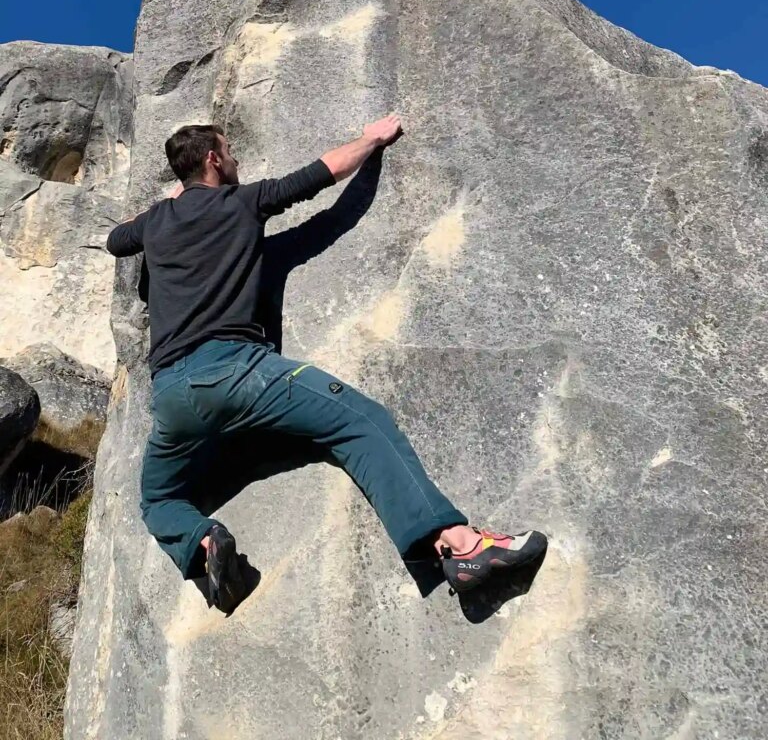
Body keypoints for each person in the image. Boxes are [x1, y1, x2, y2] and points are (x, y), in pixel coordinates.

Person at [106, 116, 546, 613]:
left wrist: (160, 212)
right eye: (229, 152)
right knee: (362, 422)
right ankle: (463, 546)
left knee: (159, 500)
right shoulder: (244, 201)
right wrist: (374, 139)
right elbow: (322, 174)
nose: (235, 160)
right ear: (212, 159)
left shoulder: (156, 223)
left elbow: (115, 241)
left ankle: (204, 542)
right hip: (239, 372)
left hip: (170, 395)